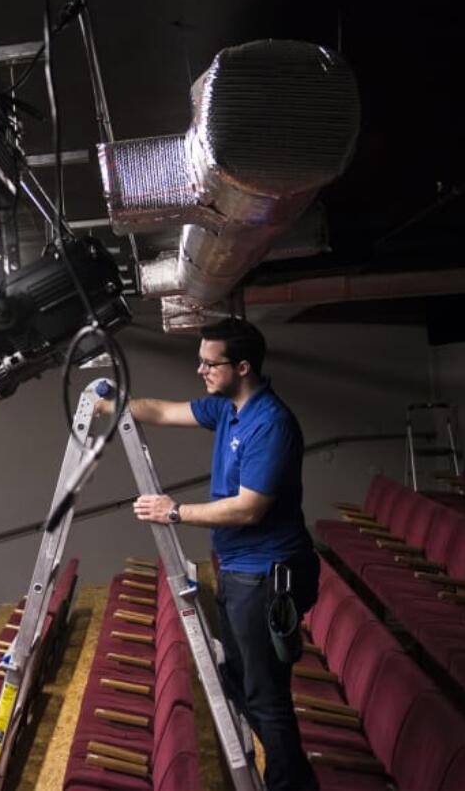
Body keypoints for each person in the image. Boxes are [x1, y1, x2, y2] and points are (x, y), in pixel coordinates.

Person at [97, 316, 320, 791]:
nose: (200, 370)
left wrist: (174, 512)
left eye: (208, 363)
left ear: (242, 367)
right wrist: (108, 405)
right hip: (241, 571)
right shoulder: (227, 410)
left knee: (265, 697)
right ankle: (289, 775)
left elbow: (249, 509)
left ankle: (291, 785)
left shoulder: (270, 423)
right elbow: (161, 411)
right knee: (239, 678)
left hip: (264, 576)